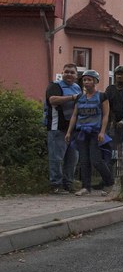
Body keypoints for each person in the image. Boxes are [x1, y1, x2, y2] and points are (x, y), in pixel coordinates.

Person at [64, 70, 114, 195]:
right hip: (81, 132)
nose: (86, 82)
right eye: (85, 80)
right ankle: (86, 187)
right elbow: (75, 115)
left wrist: (102, 132)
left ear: (95, 82)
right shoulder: (80, 97)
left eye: (89, 80)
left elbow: (105, 115)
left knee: (96, 160)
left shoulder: (102, 96)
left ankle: (109, 182)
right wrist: (69, 132)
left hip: (95, 132)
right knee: (84, 160)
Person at [45, 63, 81, 194]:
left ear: (76, 75)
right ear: (62, 73)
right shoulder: (55, 85)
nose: (69, 75)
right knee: (57, 157)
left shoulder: (77, 87)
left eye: (72, 72)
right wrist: (72, 98)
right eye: (66, 72)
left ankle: (68, 184)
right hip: (57, 127)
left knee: (72, 158)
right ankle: (55, 185)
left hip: (73, 129)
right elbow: (52, 100)